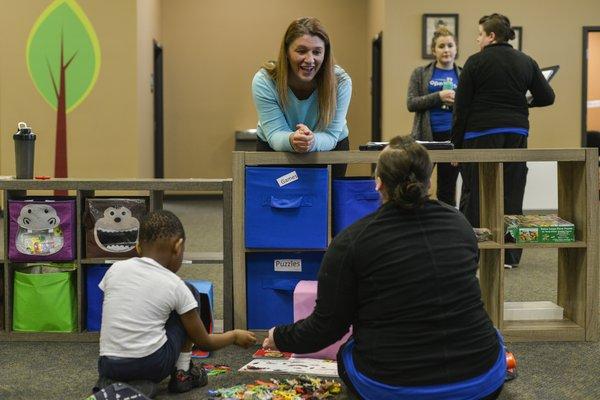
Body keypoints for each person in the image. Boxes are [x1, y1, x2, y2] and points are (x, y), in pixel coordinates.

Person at [262, 136, 506, 400]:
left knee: (348, 351)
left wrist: (280, 336)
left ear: (377, 182)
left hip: (391, 387)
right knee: (492, 333)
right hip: (482, 382)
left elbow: (327, 328)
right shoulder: (460, 225)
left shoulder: (351, 240)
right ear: (429, 182)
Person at [95, 210, 256, 396]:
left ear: (138, 248)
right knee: (191, 293)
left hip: (107, 364)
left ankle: (118, 382)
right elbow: (203, 341)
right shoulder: (175, 285)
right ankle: (183, 373)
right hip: (151, 363)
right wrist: (234, 336)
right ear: (178, 247)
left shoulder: (115, 270)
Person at [451, 13, 555, 268]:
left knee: (475, 192)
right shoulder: (526, 61)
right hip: (516, 133)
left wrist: (456, 147)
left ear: (491, 36)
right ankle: (509, 256)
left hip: (479, 135)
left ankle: (470, 254)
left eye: (479, 34)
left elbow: (461, 108)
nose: (477, 39)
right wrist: (525, 100)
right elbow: (547, 96)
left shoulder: (474, 63)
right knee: (512, 193)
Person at [252, 17, 352, 177]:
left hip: (329, 146)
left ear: (325, 54)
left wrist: (312, 142)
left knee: (326, 201)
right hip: (275, 145)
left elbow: (331, 135)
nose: (310, 59)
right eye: (301, 51)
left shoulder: (340, 82)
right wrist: (293, 139)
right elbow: (275, 133)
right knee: (279, 200)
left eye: (317, 52)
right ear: (286, 52)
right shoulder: (265, 80)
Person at [407, 26, 461, 206]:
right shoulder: (420, 73)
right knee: (417, 185)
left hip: (452, 138)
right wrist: (438, 96)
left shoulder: (463, 74)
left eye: (450, 45)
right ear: (433, 50)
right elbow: (411, 103)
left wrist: (458, 100)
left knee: (447, 188)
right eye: (441, 46)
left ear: (456, 48)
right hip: (425, 137)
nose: (446, 50)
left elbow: (470, 107)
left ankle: (445, 227)